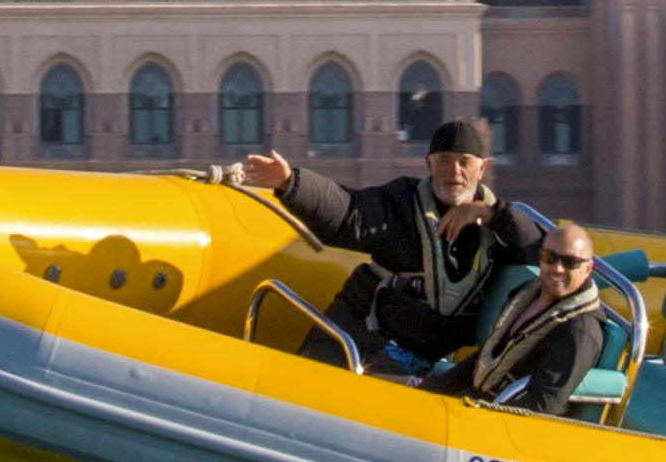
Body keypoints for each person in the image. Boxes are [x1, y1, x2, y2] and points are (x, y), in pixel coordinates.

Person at [230, 119, 607, 413]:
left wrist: (492, 214)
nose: (453, 171)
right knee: (310, 391)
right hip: (361, 322)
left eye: (464, 162)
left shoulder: (500, 229)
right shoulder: (401, 201)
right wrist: (291, 182)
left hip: (415, 354)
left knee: (381, 406)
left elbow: (544, 250)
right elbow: (348, 213)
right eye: (444, 161)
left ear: (482, 168)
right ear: (429, 164)